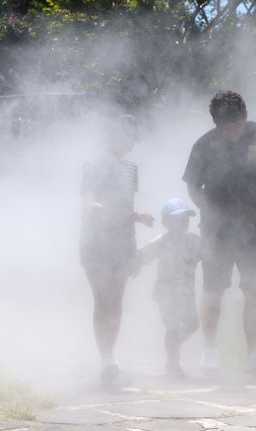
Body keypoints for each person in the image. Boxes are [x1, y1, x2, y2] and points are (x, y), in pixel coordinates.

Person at [182, 90, 256, 374]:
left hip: (253, 224)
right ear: (215, 123)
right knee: (213, 289)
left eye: (237, 125)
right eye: (226, 127)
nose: (233, 131)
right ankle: (209, 353)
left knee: (255, 288)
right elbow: (193, 187)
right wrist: (208, 211)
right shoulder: (203, 145)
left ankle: (254, 354)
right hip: (216, 229)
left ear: (246, 116)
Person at [80, 114, 155, 386]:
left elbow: (128, 203)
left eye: (131, 137)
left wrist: (132, 246)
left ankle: (110, 354)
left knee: (116, 300)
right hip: (95, 241)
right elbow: (90, 206)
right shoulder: (92, 166)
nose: (127, 142)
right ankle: (106, 358)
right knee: (103, 298)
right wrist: (130, 216)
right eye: (122, 135)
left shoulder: (131, 168)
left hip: (123, 242)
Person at [136, 198, 202, 377]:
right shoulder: (161, 242)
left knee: (193, 324)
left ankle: (173, 346)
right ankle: (173, 363)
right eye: (178, 219)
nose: (184, 223)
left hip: (187, 292)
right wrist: (131, 266)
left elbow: (211, 252)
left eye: (186, 219)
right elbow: (140, 256)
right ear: (165, 222)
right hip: (166, 291)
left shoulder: (194, 241)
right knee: (172, 327)